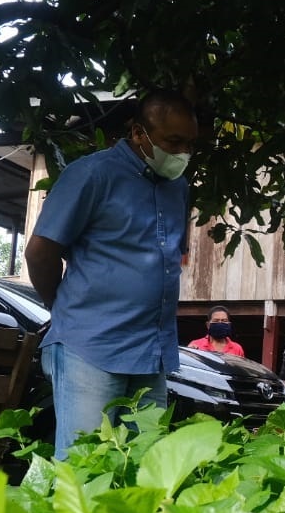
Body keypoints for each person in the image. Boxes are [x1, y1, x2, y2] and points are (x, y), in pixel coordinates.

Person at [24, 89, 198, 459]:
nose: (182, 153)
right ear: (138, 133)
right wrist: (63, 307)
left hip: (151, 354)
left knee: (144, 469)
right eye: (173, 141)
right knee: (83, 469)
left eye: (189, 144)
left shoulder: (178, 188)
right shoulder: (91, 174)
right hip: (89, 347)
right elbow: (40, 253)